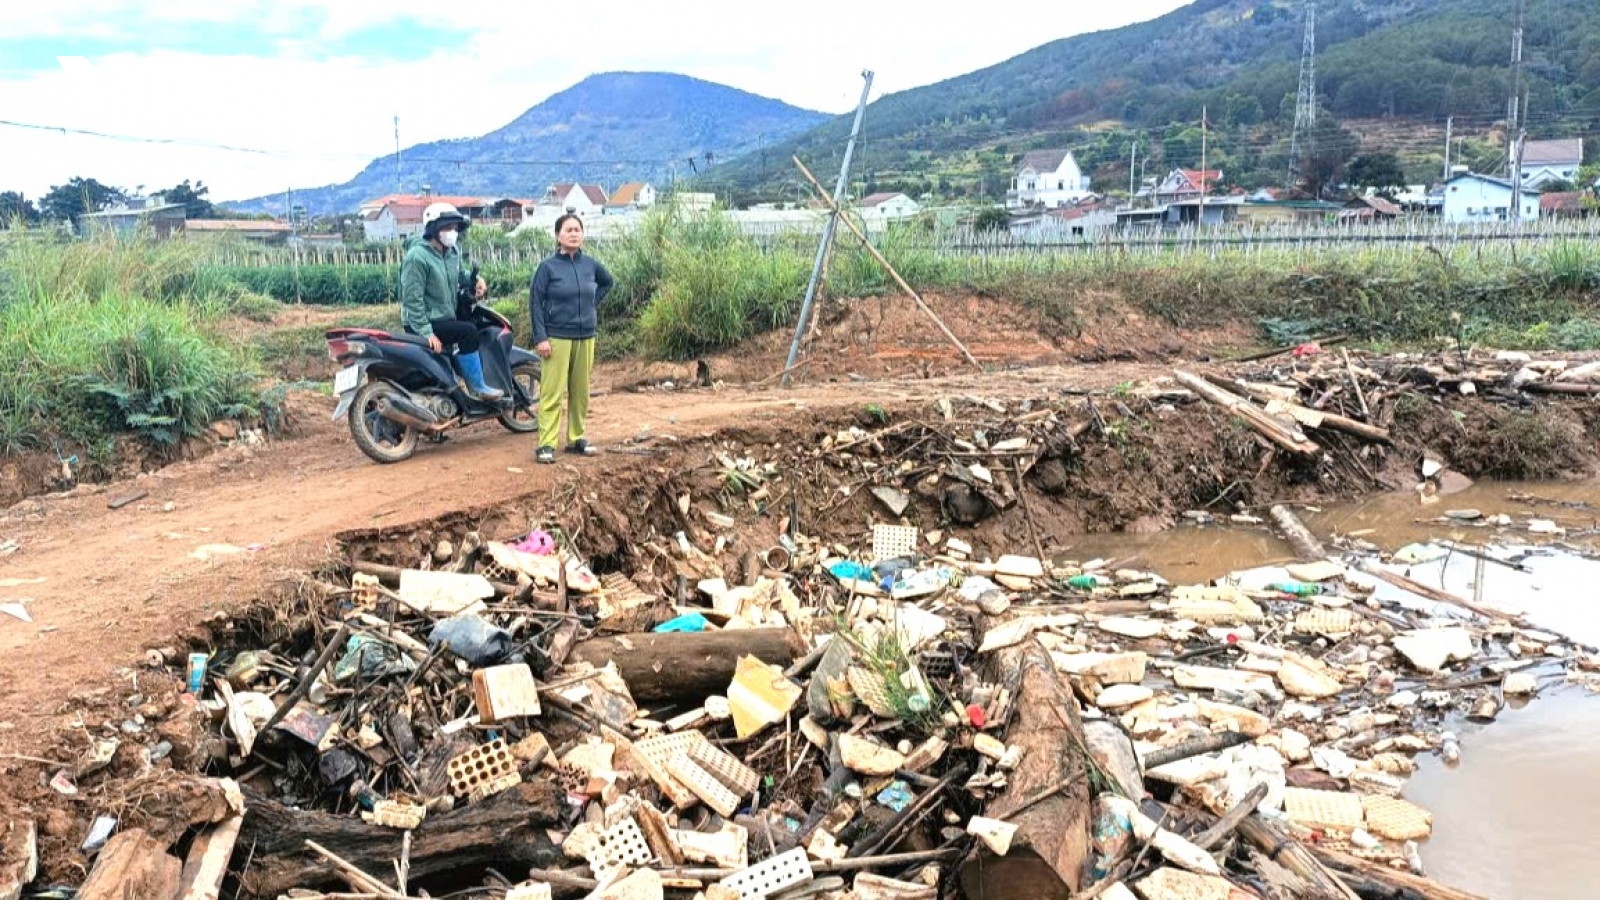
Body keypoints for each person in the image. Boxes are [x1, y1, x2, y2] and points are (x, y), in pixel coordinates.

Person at [529, 213, 613, 464]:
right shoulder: (548, 267)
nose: (574, 233)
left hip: (586, 335)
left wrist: (591, 305)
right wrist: (540, 337)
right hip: (556, 337)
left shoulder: (590, 265)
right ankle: (546, 444)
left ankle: (576, 438)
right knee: (552, 393)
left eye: (578, 229)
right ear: (558, 236)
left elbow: (607, 283)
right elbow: (535, 303)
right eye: (568, 230)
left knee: (581, 391)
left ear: (582, 234)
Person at [399, 201, 503, 402]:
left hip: (443, 316)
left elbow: (455, 275)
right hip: (422, 321)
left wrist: (475, 280)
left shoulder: (451, 252)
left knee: (470, 328)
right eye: (447, 228)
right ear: (433, 229)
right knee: (468, 332)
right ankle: (477, 387)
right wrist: (426, 332)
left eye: (455, 228)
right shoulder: (417, 258)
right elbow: (412, 299)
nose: (452, 232)